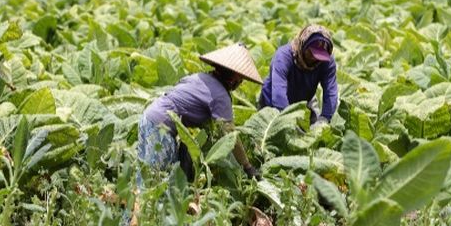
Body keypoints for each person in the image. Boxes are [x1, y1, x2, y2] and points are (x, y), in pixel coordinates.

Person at [138, 43, 262, 182]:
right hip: (161, 127)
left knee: (147, 176)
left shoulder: (198, 77)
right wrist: (247, 166)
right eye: (241, 79)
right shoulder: (221, 96)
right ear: (234, 77)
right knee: (158, 180)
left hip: (149, 117)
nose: (241, 82)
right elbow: (230, 134)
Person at [259, 24, 338, 127]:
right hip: (271, 103)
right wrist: (288, 120)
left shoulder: (326, 62)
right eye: (311, 53)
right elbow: (278, 94)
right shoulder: (283, 57)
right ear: (303, 46)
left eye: (320, 55)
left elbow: (331, 91)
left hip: (303, 101)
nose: (315, 59)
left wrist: (325, 117)